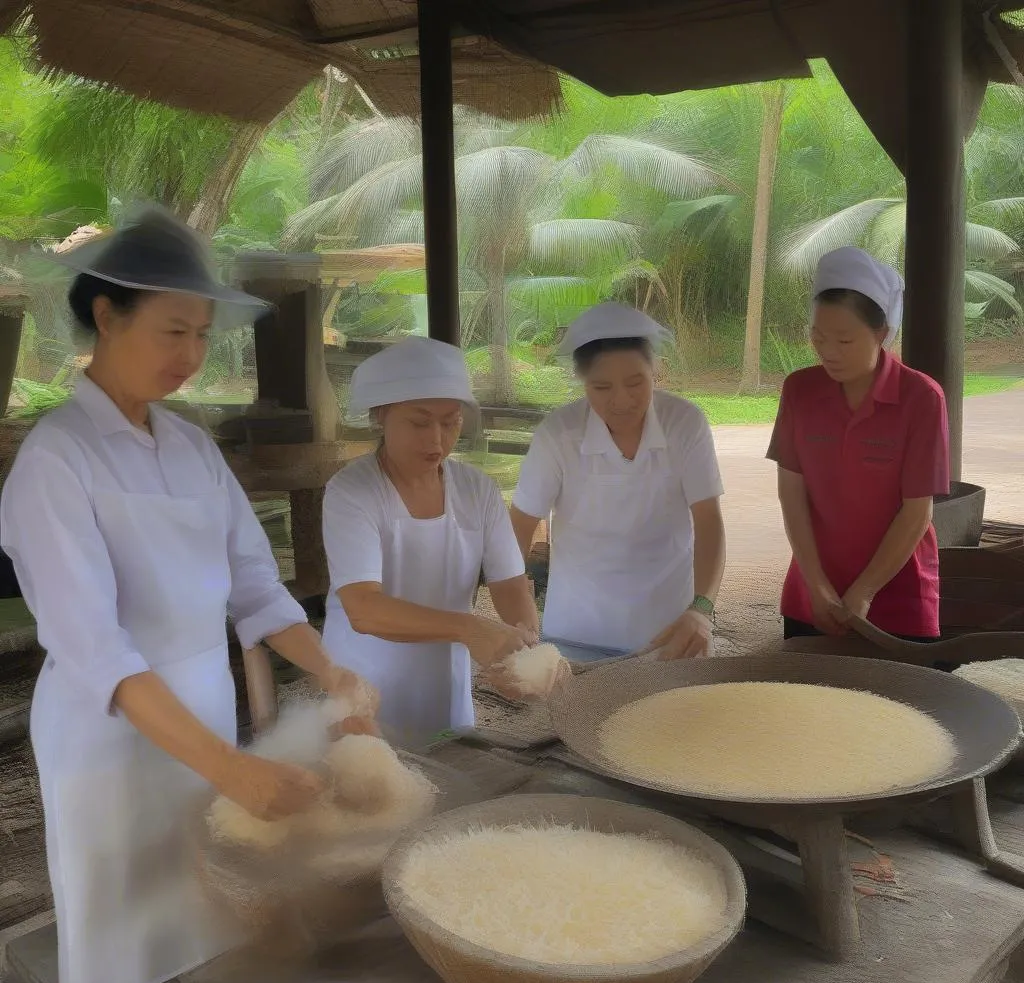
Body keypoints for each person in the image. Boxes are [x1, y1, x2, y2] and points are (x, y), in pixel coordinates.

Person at [0, 209, 378, 983]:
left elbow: (255, 586)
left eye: (203, 335)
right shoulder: (56, 461)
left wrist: (330, 668)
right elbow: (95, 650)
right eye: (174, 331)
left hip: (200, 722)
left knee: (198, 936)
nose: (191, 356)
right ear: (107, 315)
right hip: (108, 747)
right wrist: (232, 768)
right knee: (109, 962)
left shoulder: (189, 445)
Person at [321, 336, 538, 748]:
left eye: (450, 422)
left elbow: (510, 585)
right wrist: (469, 629)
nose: (436, 441)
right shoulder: (353, 492)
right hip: (366, 686)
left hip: (444, 684)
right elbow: (364, 609)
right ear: (381, 416)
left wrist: (523, 649)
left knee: (451, 774)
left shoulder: (478, 491)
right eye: (420, 423)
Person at [509, 302, 726, 659]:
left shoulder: (685, 423)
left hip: (671, 633)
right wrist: (518, 614)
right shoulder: (559, 434)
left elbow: (709, 522)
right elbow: (519, 525)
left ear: (656, 371)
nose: (621, 400)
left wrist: (701, 609)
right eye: (602, 386)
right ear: (582, 383)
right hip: (576, 634)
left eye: (636, 382)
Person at [767, 246, 950, 640]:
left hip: (900, 598)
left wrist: (863, 592)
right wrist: (816, 588)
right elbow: (792, 495)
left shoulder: (921, 398)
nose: (828, 352)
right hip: (813, 594)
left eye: (845, 341)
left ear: (881, 333)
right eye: (819, 336)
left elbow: (917, 512)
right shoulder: (799, 390)